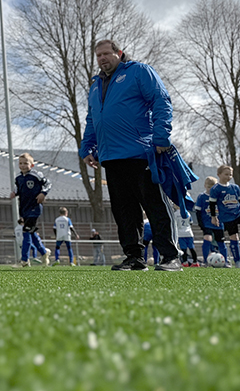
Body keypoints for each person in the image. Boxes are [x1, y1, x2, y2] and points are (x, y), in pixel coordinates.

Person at [79, 39, 185, 272]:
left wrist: (161, 136)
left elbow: (161, 100)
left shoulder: (139, 71)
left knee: (155, 206)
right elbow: (92, 119)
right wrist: (86, 147)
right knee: (124, 211)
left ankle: (171, 256)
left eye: (106, 54)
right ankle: (134, 257)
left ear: (119, 53)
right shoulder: (95, 85)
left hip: (141, 153)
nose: (102, 58)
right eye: (98, 55)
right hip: (111, 157)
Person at [10, 153, 51, 267]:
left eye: (25, 163)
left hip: (34, 208)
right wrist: (14, 193)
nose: (23, 165)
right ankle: (44, 252)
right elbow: (18, 189)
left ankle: (24, 260)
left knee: (26, 232)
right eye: (20, 163)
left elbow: (48, 184)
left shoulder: (36, 175)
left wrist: (43, 193)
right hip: (24, 209)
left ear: (32, 165)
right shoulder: (18, 178)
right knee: (31, 233)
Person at [209, 165, 240, 267]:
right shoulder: (216, 189)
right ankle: (237, 261)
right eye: (226, 174)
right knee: (234, 236)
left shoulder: (235, 187)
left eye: (230, 175)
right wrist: (214, 217)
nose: (228, 177)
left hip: (238, 213)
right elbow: (212, 204)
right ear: (219, 175)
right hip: (228, 217)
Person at [194, 176, 227, 264]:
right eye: (209, 187)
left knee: (221, 242)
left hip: (218, 224)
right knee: (208, 238)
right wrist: (201, 224)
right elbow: (198, 211)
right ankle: (205, 261)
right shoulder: (202, 197)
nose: (211, 189)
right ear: (205, 186)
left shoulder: (220, 197)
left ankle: (225, 261)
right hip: (207, 223)